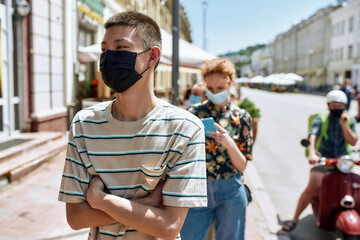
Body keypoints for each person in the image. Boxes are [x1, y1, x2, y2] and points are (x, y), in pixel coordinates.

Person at [58, 11, 207, 240]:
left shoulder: (185, 129)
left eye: (121, 48)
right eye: (105, 50)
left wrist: (100, 201)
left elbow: (168, 227)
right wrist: (147, 205)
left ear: (152, 56)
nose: (109, 58)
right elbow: (76, 217)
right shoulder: (84, 124)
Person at [180, 58, 253, 240]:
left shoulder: (242, 117)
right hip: (199, 187)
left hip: (231, 188)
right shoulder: (193, 113)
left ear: (231, 84)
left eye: (220, 89)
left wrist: (228, 142)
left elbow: (242, 166)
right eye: (210, 89)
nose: (214, 93)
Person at [282, 89, 358, 231]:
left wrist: (344, 125)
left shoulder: (350, 121)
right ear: (328, 106)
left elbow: (353, 141)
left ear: (345, 106)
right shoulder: (320, 119)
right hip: (323, 160)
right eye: (333, 106)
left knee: (353, 188)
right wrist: (312, 154)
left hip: (342, 161)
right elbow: (312, 136)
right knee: (312, 188)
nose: (336, 109)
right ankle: (294, 219)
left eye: (340, 106)